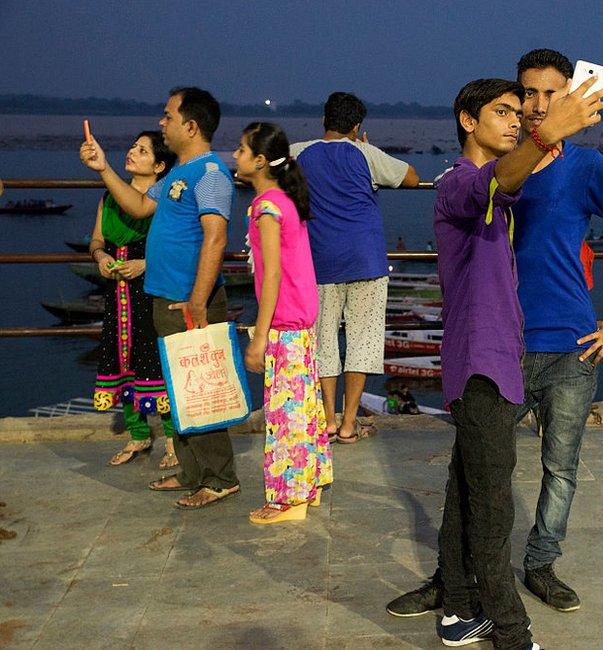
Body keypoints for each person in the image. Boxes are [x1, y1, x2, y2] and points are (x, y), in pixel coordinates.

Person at [387, 48, 603, 622]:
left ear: (569, 95)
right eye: (526, 96)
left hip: (570, 344)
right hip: (502, 346)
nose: (536, 107)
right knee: (469, 468)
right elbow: (481, 193)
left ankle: (540, 564)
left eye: (549, 95)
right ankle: (450, 579)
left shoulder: (586, 169)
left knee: (560, 466)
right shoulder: (500, 164)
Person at [420, 77, 603, 650]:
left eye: (518, 114)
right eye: (502, 112)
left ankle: (456, 610)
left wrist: (552, 140)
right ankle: (510, 632)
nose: (515, 121)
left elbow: (517, 179)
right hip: (481, 363)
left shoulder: (498, 189)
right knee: (494, 505)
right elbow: (496, 179)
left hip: (495, 359)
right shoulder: (457, 185)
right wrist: (551, 131)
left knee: (466, 491)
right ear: (467, 120)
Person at [80, 87, 240, 508]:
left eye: (168, 116)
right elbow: (135, 205)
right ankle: (191, 473)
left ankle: (221, 478)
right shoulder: (176, 175)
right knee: (179, 392)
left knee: (203, 393)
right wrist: (103, 169)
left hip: (189, 303)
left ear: (191, 126)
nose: (162, 122)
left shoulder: (210, 174)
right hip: (164, 299)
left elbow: (216, 236)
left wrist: (199, 301)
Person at [291, 92, 420, 443]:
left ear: (323, 121)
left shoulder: (299, 152)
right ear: (357, 126)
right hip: (366, 260)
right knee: (363, 341)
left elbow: (256, 170)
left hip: (319, 262)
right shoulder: (363, 153)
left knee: (324, 342)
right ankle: (349, 423)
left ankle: (328, 419)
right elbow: (411, 177)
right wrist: (368, 149)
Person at [233, 122, 333, 524]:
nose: (235, 156)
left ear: (259, 161)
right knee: (304, 408)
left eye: (241, 150)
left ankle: (289, 500)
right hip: (300, 319)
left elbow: (271, 273)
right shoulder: (282, 200)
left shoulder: (268, 207)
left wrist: (259, 336)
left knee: (286, 414)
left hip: (285, 323)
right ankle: (307, 486)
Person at [90, 131, 177, 467]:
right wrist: (100, 258)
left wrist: (145, 264)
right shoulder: (109, 197)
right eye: (132, 147)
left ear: (158, 165)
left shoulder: (164, 199)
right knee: (123, 361)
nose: (132, 152)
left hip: (151, 291)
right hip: (118, 294)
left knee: (157, 361)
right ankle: (138, 435)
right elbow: (97, 240)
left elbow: (176, 248)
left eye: (142, 151)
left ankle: (172, 439)